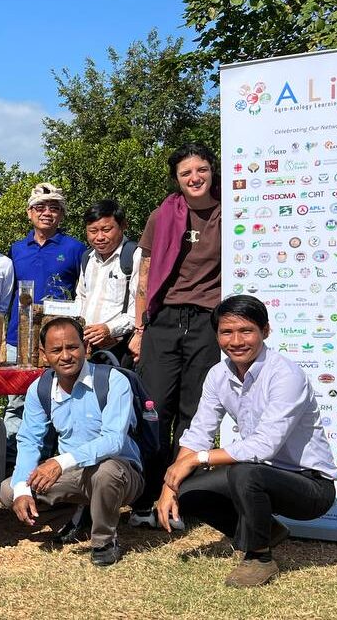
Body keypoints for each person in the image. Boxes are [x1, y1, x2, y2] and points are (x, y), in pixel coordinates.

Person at [156, 295, 336, 588]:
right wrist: (170, 483)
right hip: (259, 474)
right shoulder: (218, 374)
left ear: (265, 331)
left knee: (243, 470)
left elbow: (262, 446)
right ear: (216, 335)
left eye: (246, 331)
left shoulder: (286, 375)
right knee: (189, 490)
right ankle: (268, 531)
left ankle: (258, 558)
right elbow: (200, 430)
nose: (236, 341)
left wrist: (196, 459)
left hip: (310, 486)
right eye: (227, 332)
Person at [128, 143, 223, 527]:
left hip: (208, 321)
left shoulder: (232, 212)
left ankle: (179, 498)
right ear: (177, 180)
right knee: (153, 411)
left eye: (201, 169)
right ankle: (145, 497)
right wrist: (139, 328)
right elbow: (145, 274)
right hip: (163, 321)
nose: (195, 178)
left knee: (193, 412)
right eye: (186, 173)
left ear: (212, 171)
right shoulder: (163, 215)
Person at [0, 317, 143, 567]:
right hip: (74, 474)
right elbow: (29, 440)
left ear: (86, 348)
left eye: (72, 347)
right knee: (10, 490)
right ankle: (73, 518)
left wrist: (59, 462)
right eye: (56, 350)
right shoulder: (40, 389)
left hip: (121, 471)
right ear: (44, 355)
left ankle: (104, 541)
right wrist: (23, 489)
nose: (66, 356)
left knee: (105, 473)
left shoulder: (113, 381)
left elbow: (113, 440)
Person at [4, 182, 86, 468]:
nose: (47, 213)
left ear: (62, 214)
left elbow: (83, 291)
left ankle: (52, 467)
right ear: (29, 213)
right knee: (16, 403)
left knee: (58, 403)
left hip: (58, 344)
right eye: (40, 207)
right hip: (18, 339)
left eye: (54, 208)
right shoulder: (15, 249)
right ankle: (14, 466)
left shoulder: (75, 248)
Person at [76, 200, 142, 365]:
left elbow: (141, 308)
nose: (99, 237)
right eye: (92, 231)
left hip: (122, 348)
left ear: (122, 226)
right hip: (87, 349)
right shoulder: (87, 258)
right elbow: (81, 298)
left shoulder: (135, 256)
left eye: (106, 230)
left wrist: (109, 329)